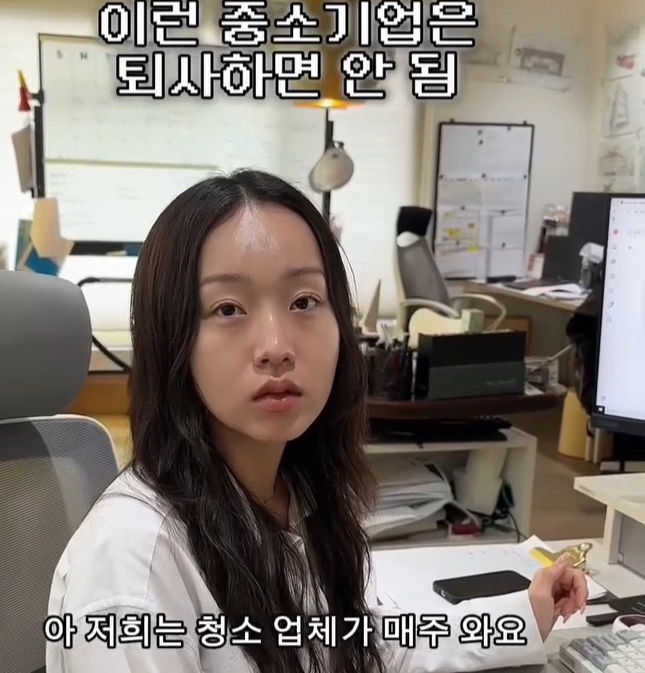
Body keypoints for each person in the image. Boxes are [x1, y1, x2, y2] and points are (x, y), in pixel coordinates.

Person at [46, 169, 587, 673]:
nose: (276, 346)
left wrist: (522, 617)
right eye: (228, 309)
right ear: (171, 340)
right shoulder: (132, 567)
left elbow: (369, 649)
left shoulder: (295, 492)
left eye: (304, 301)